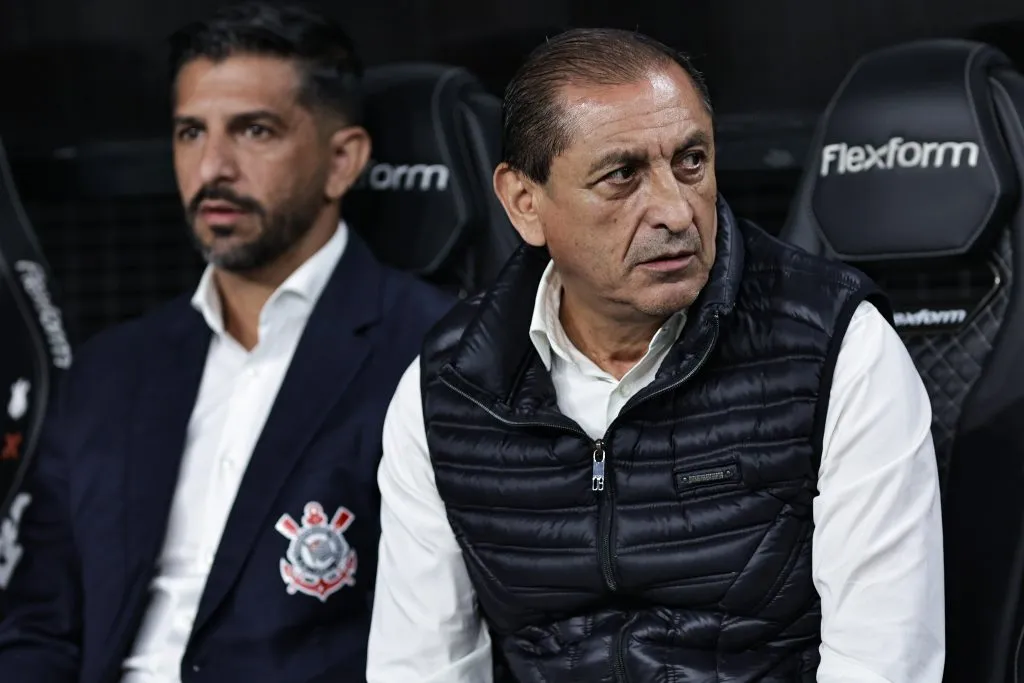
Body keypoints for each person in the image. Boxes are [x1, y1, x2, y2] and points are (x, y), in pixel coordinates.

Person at [367, 28, 945, 683]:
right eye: (622, 175)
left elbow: (883, 661)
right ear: (525, 204)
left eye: (691, 161)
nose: (674, 209)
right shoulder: (451, 386)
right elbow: (421, 664)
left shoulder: (836, 347)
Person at [0, 3, 453, 682]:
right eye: (190, 132)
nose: (213, 166)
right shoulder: (110, 370)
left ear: (342, 160)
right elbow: (37, 625)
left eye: (255, 130)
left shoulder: (435, 352)